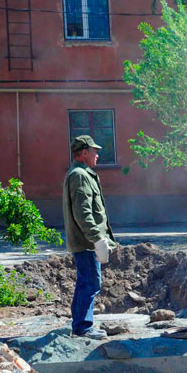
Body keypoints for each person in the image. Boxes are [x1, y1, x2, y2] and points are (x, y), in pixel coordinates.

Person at [62, 135, 116, 339]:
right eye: (94, 151)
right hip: (86, 242)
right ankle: (83, 327)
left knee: (85, 281)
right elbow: (83, 212)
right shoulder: (80, 175)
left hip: (84, 240)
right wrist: (96, 238)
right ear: (84, 153)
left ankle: (79, 324)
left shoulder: (81, 173)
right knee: (91, 283)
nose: (98, 155)